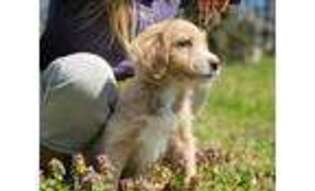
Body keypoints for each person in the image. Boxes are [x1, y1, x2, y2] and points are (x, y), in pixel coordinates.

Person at [40, 0, 241, 167]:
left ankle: (143, 167)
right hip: (67, 102)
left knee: (195, 76)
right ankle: (49, 164)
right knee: (87, 77)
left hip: (131, 101)